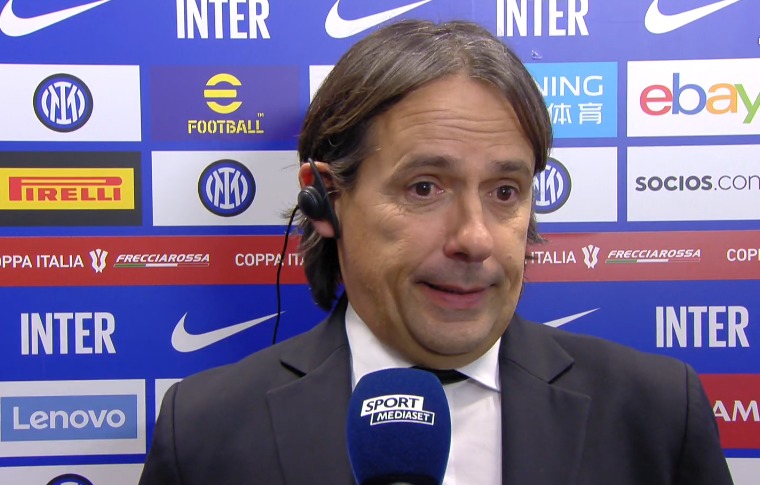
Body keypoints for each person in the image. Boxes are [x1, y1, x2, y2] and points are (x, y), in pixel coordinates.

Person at [138, 20, 733, 485]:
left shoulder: (657, 414)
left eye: (505, 192)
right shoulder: (204, 431)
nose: (475, 239)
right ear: (324, 200)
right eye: (424, 188)